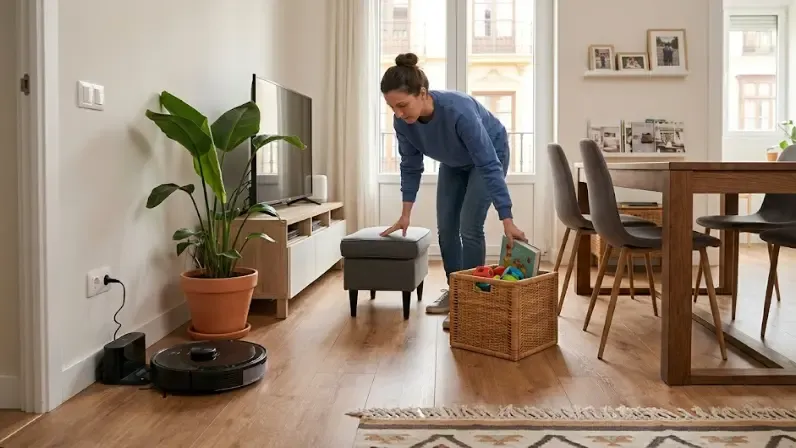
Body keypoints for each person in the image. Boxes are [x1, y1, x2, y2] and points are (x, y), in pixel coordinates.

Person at [378, 53, 528, 330]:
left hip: (489, 155)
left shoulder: (458, 111)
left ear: (422, 93)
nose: (398, 113)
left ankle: (473, 298)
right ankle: (456, 290)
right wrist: (405, 214)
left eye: (402, 105)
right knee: (446, 229)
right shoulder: (403, 123)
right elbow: (410, 166)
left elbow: (488, 163)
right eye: (392, 108)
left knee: (469, 227)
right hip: (454, 162)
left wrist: (506, 217)